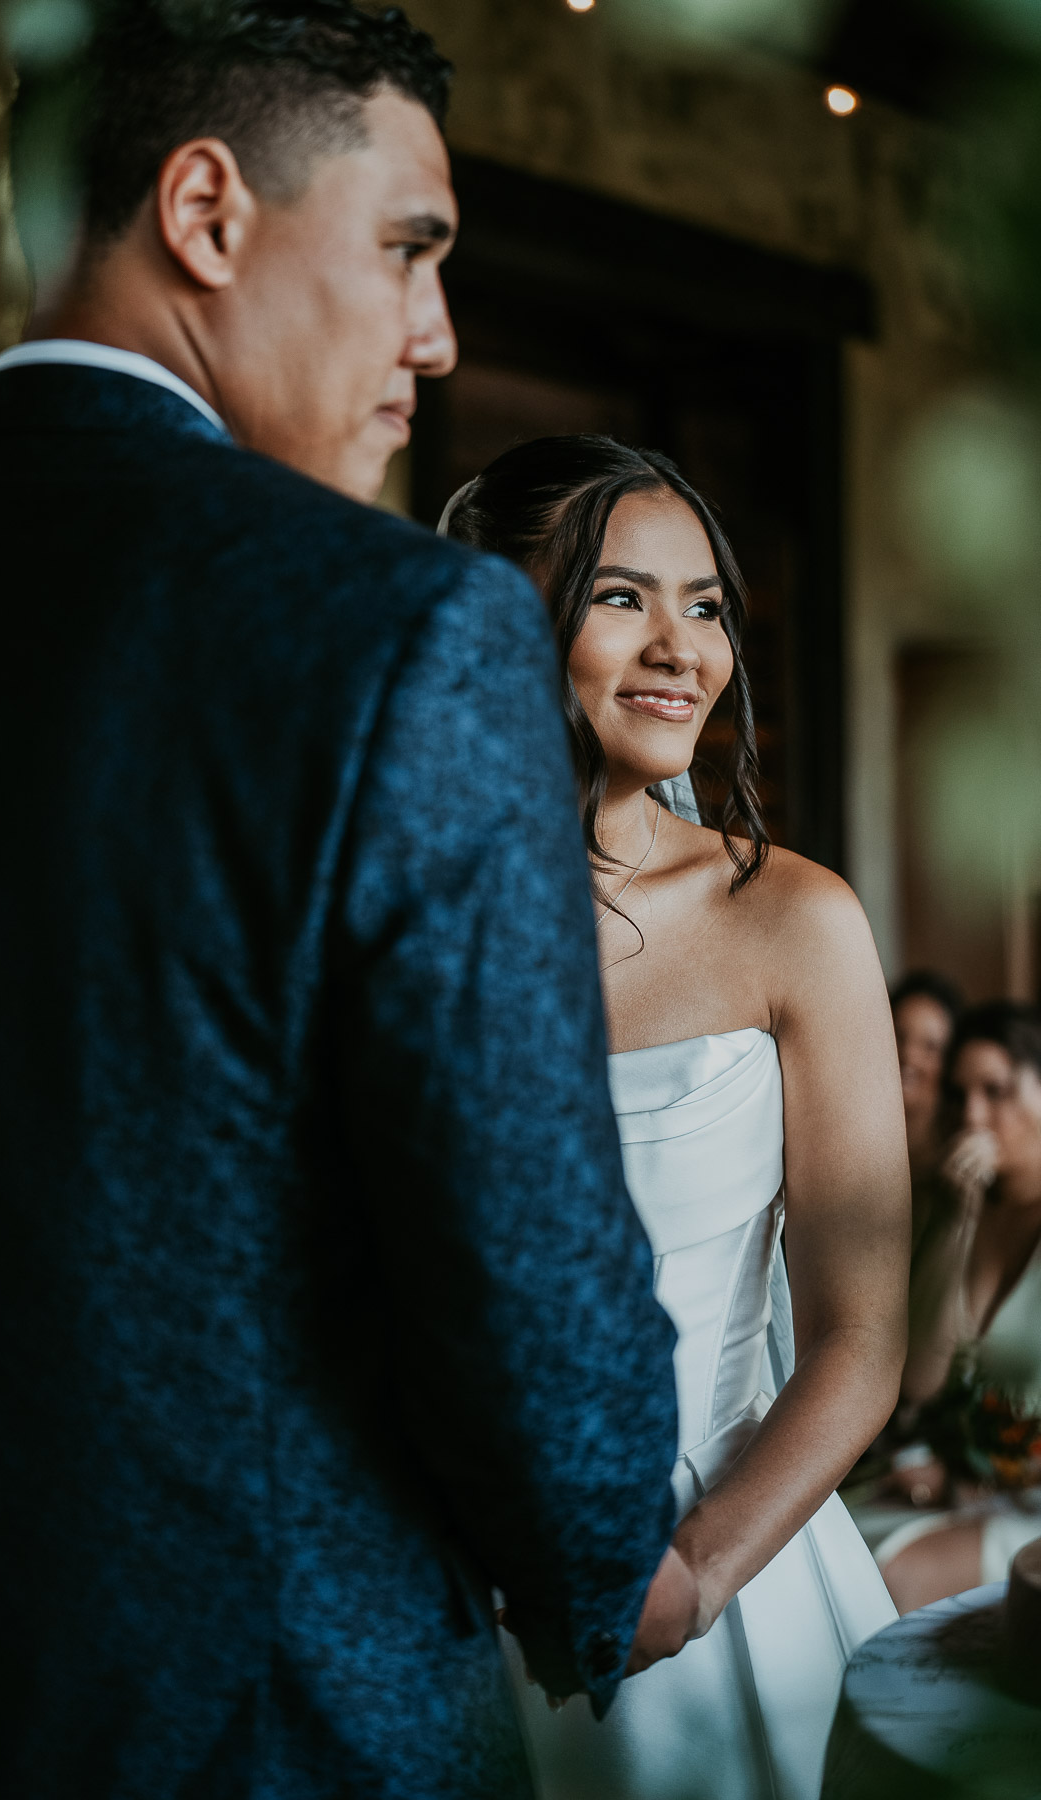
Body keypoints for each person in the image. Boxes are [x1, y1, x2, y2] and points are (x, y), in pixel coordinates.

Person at [0, 9, 680, 1798]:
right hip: (273, 1722)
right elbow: (522, 1257)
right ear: (206, 214)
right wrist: (611, 1571)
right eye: (408, 250)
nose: (437, 342)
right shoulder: (399, 635)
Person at [442, 435, 910, 1800]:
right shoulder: (408, 915)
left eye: (704, 604)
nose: (680, 648)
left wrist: (693, 1574)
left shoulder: (794, 923)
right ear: (495, 613)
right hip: (449, 1594)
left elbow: (861, 1336)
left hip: (726, 1576)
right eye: (619, 595)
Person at [873, 1001, 1041, 1612]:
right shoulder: (959, 1209)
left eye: (996, 1091)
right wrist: (957, 1221)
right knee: (837, 1554)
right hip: (972, 1493)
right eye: (961, 1094)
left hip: (1027, 1508)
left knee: (891, 1578)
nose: (974, 1115)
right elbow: (919, 1381)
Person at [889, 969, 964, 1246]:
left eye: (930, 1046)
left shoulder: (959, 1163)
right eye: (898, 1036)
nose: (909, 1055)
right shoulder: (845, 1145)